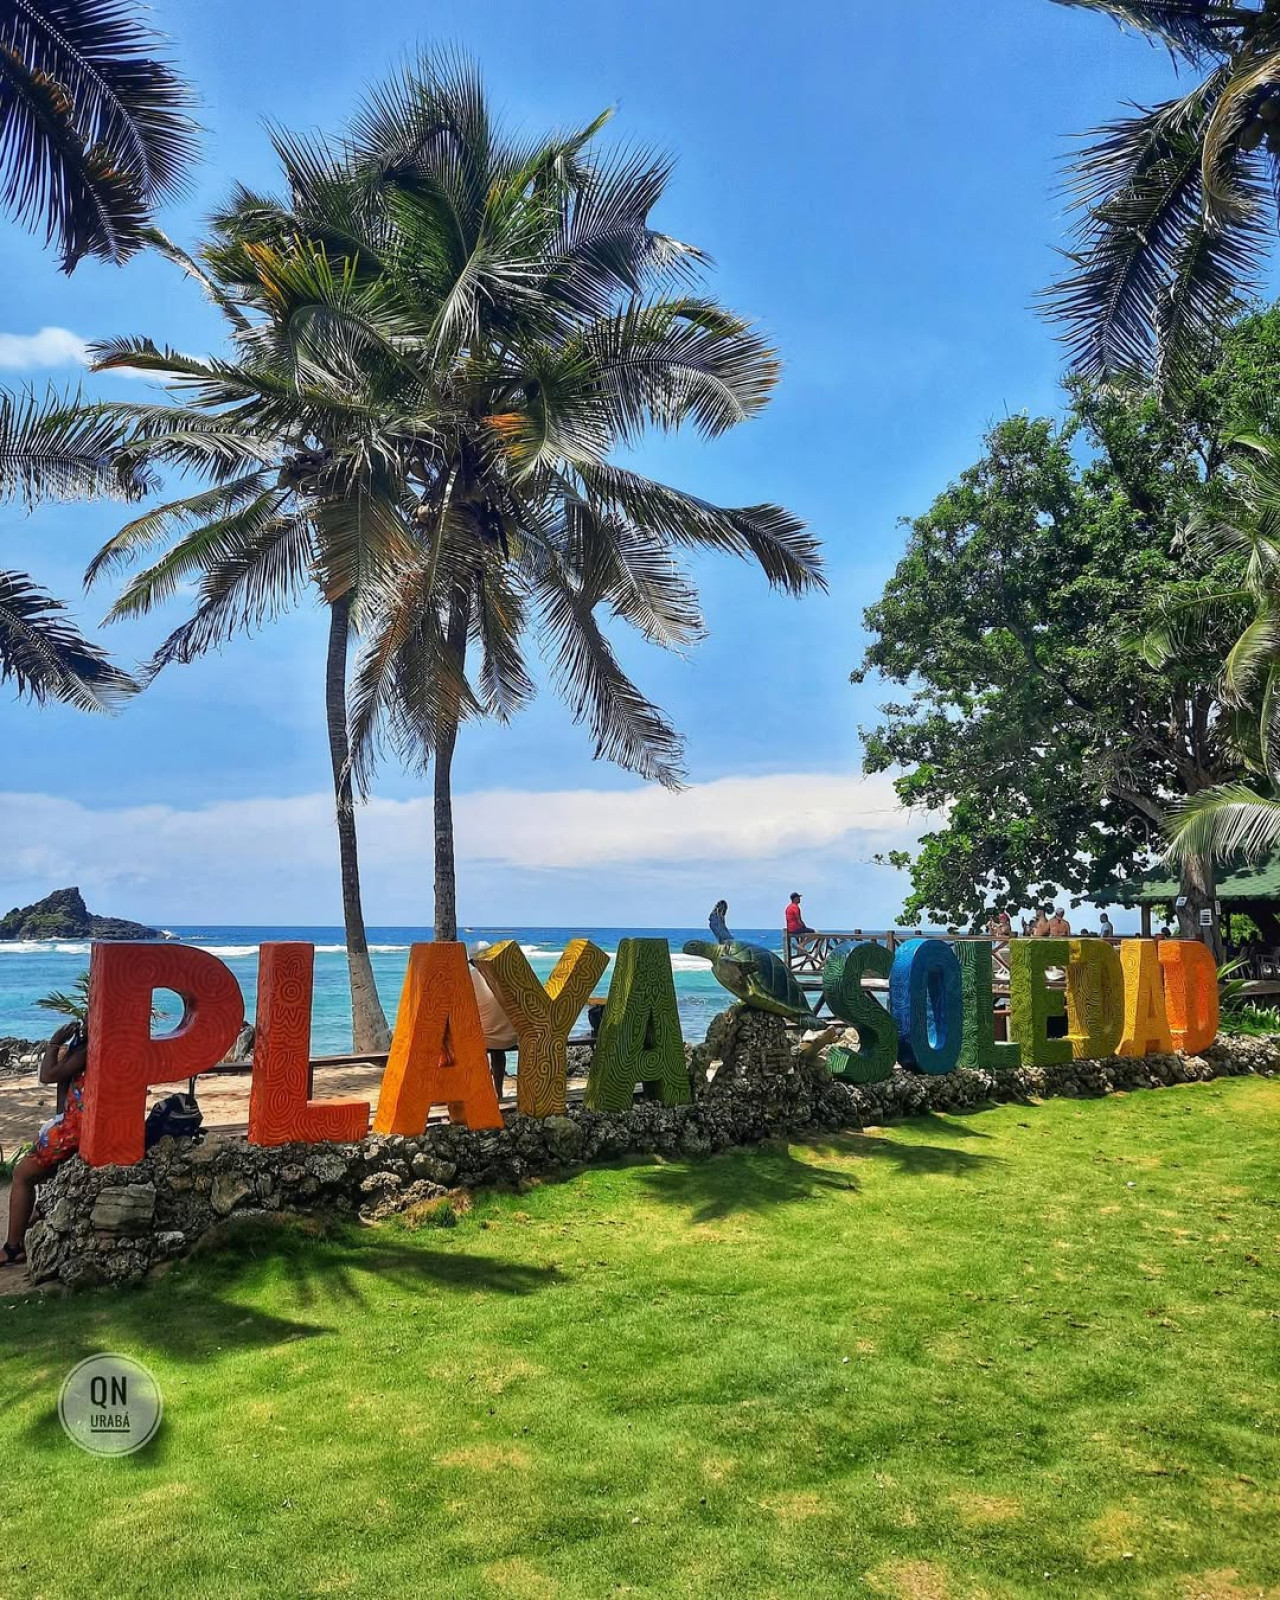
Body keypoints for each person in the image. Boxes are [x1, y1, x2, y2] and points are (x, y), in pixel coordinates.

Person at [3, 1021, 88, 1269]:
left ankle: (13, 1247)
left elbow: (47, 1076)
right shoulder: (87, 1048)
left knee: (22, 1175)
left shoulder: (86, 1050)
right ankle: (33, 1219)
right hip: (71, 1122)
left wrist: (53, 1043)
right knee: (34, 1171)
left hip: (71, 1129)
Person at [467, 942, 519, 1100]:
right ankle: (499, 1092)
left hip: (486, 1040)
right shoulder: (507, 975)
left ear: (473, 962)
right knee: (498, 1051)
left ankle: (481, 1093)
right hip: (511, 1037)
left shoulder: (470, 977)